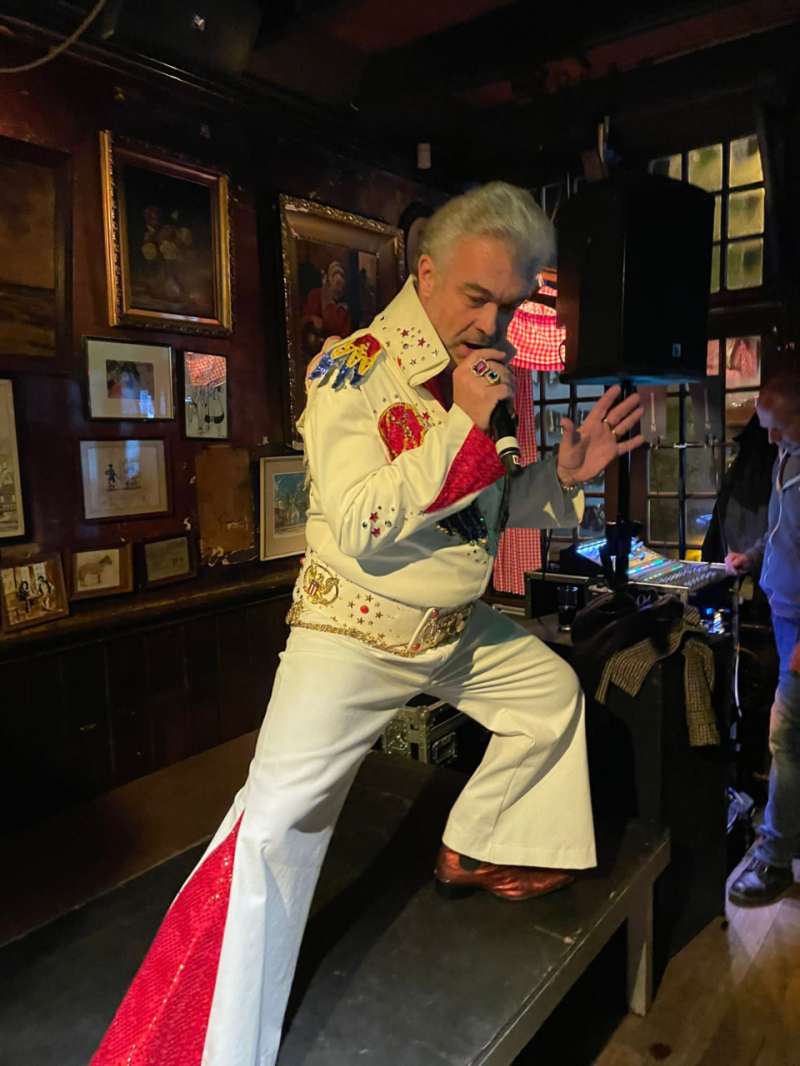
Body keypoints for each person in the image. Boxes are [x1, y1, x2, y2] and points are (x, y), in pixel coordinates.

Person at [90, 182, 644, 1066]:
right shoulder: (350, 370)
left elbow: (480, 512)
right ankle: (208, 1043)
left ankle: (476, 846)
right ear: (425, 274)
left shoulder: (478, 369)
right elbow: (356, 523)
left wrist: (561, 477)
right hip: (353, 633)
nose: (493, 323)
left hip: (449, 628)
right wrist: (464, 426)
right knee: (274, 830)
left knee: (546, 694)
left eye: (509, 305)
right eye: (477, 297)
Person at [726, 368, 800, 906]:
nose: (769, 436)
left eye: (779, 425)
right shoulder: (786, 454)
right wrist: (753, 557)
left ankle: (774, 860)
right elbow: (784, 532)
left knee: (786, 739)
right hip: (784, 614)